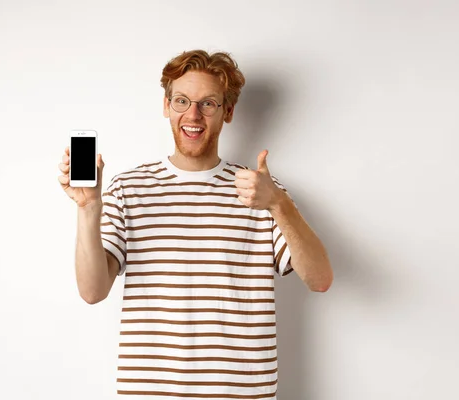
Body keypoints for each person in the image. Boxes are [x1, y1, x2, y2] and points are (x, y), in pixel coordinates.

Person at [58, 49, 333, 399]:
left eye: (208, 104)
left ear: (227, 112)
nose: (193, 115)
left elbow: (321, 279)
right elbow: (92, 292)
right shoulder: (128, 189)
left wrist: (280, 204)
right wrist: (88, 207)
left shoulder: (260, 192)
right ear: (166, 105)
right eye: (182, 101)